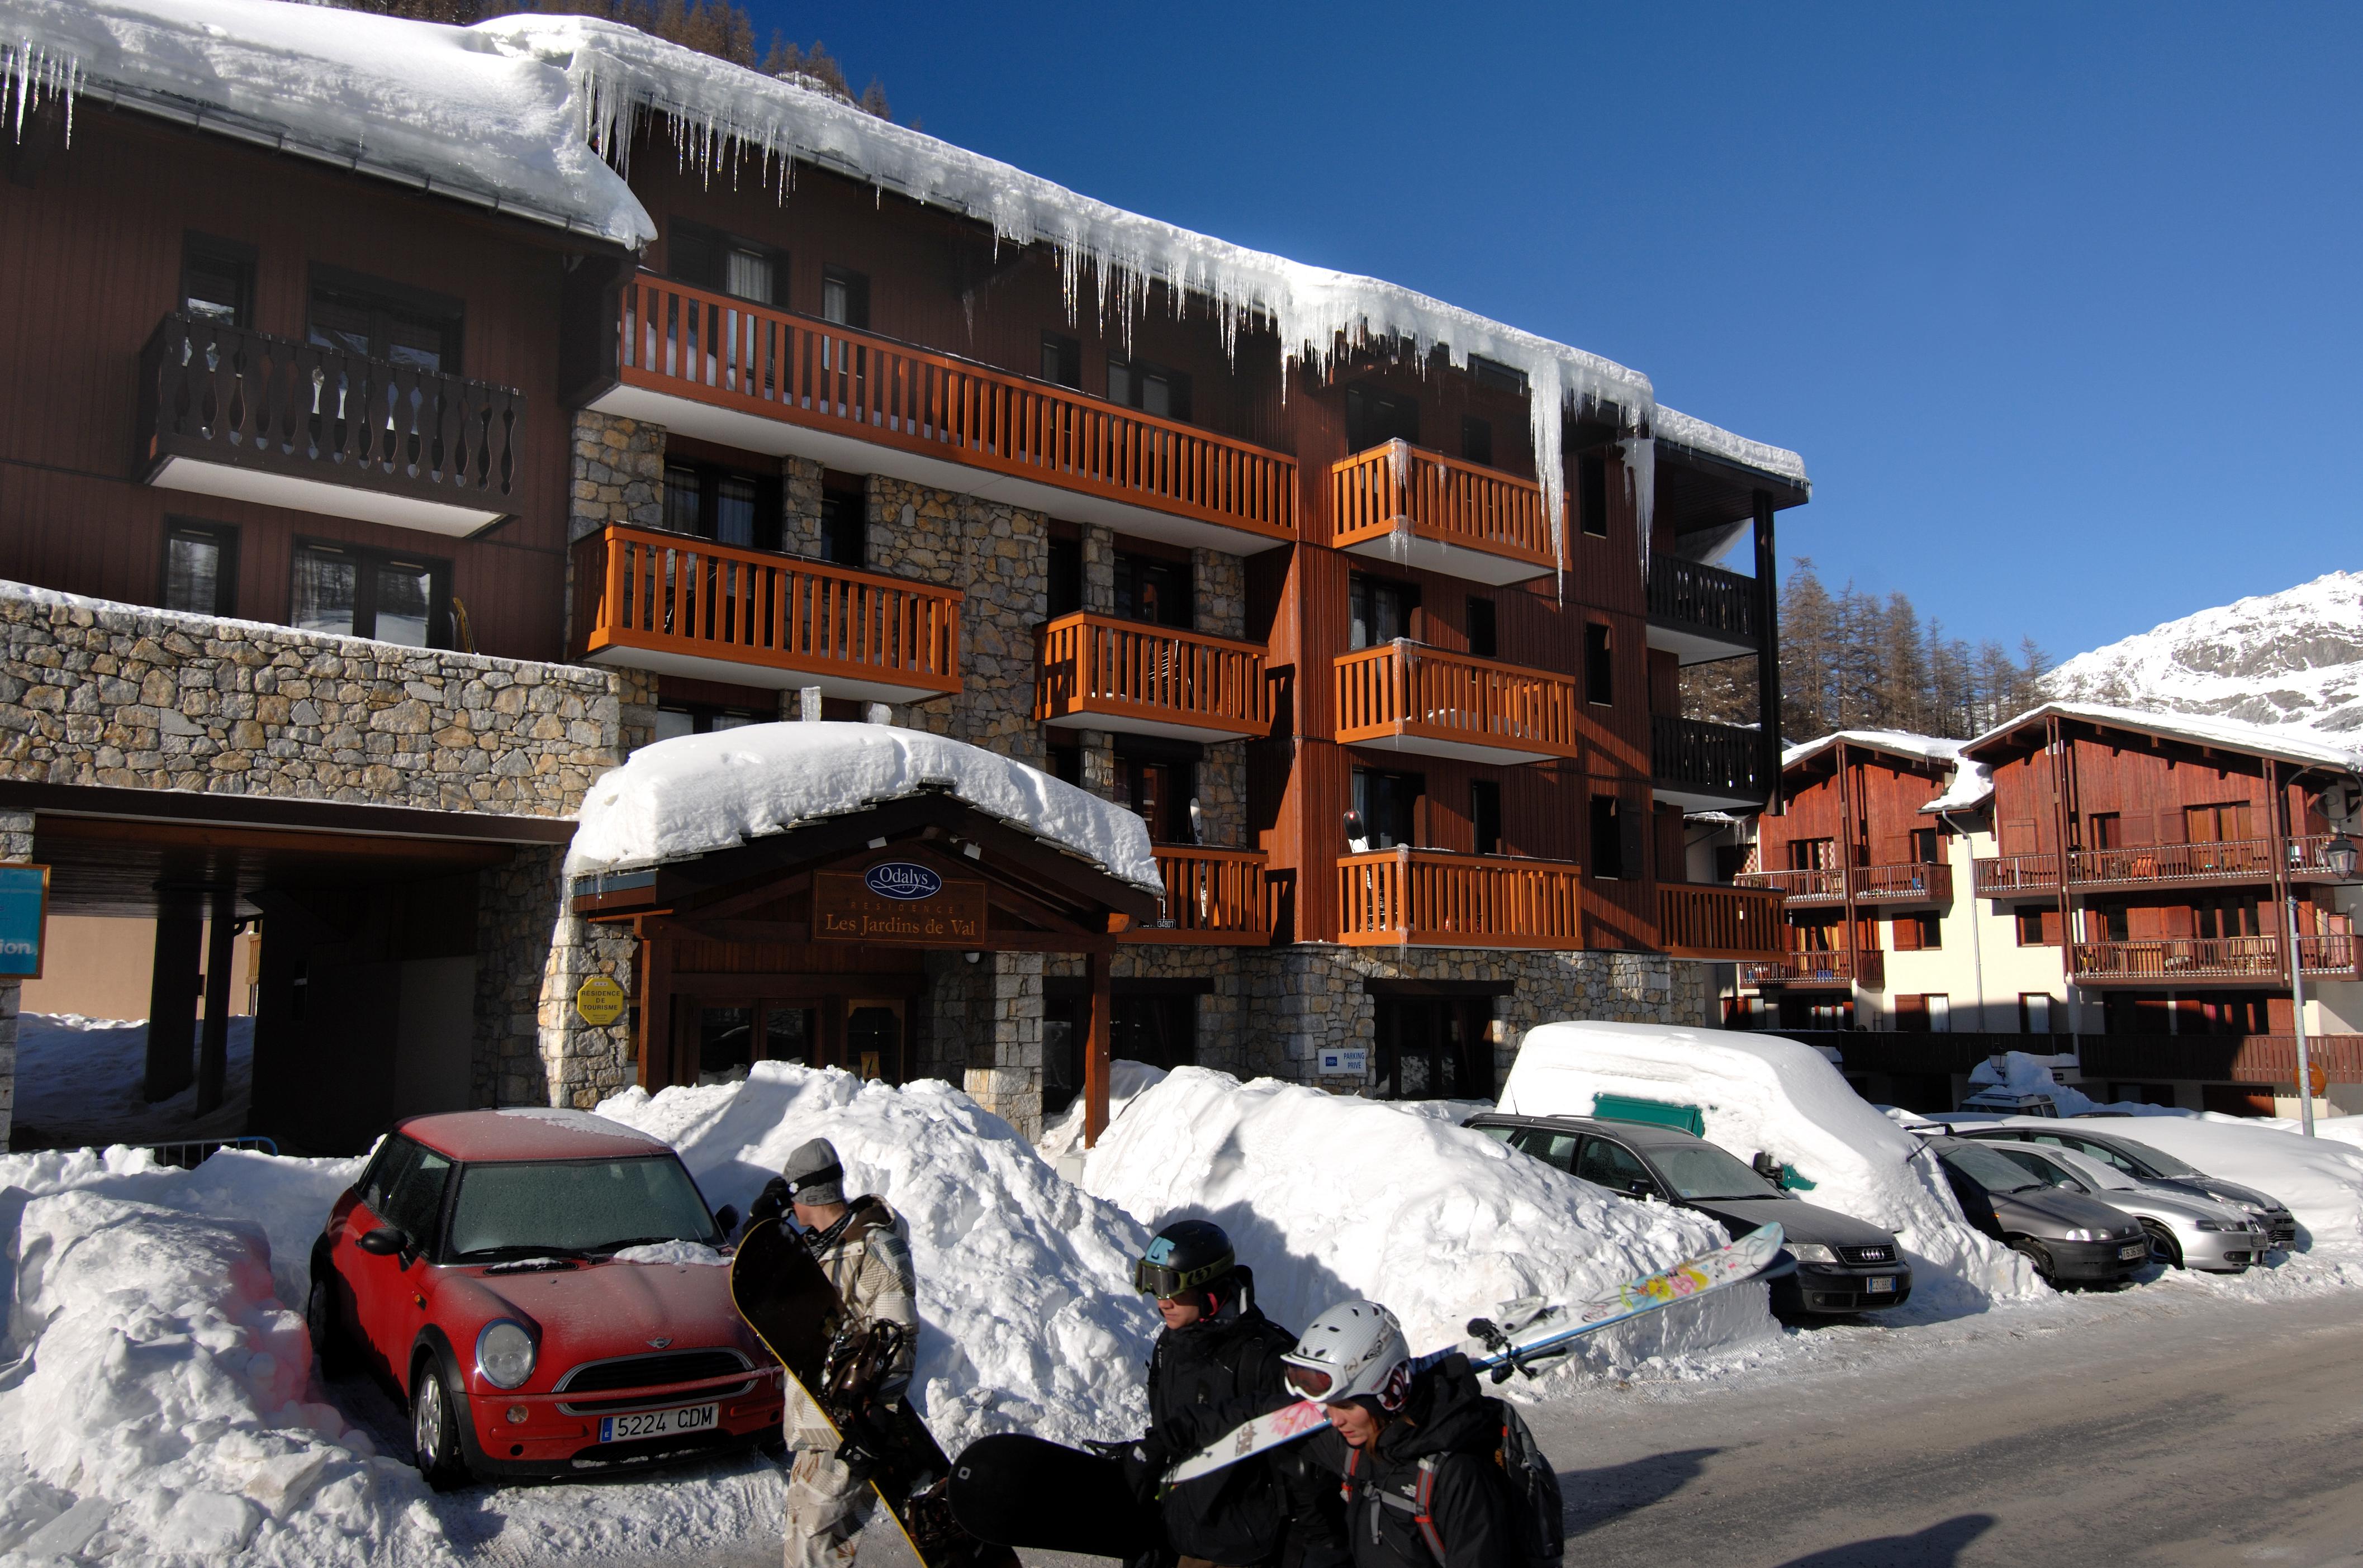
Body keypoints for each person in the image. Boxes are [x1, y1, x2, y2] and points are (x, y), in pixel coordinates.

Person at [1109, 1219, 1346, 1568]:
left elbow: (1306, 1470)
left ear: (1209, 1288)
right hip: (1181, 1537)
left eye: (1170, 1287)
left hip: (1241, 1550)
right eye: (1152, 1285)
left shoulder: (1264, 1359)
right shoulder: (1171, 1345)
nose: (1162, 1301)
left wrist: (1319, 1549)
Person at [752, 1137, 920, 1568]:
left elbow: (899, 1336)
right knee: (804, 1547)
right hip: (816, 1428)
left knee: (814, 1550)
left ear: (807, 1194)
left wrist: (876, 1420)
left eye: (792, 1196)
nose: (791, 1207)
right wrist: (762, 1229)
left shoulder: (877, 1249)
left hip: (852, 1427)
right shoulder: (820, 1249)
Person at [1278, 1301, 1518, 1568]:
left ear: (1389, 1393)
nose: (1333, 1420)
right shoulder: (1362, 1444)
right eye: (1328, 1406)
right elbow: (1263, 1411)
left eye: (1346, 1406)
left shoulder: (1459, 1475)